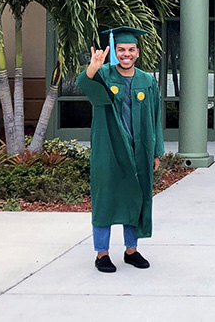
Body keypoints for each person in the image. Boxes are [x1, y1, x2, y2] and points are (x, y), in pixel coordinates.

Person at [76, 26, 164, 273]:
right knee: (105, 199)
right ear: (115, 51)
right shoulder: (104, 74)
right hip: (109, 150)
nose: (127, 54)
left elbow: (156, 117)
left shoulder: (147, 81)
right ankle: (101, 254)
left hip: (140, 149)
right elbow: (83, 82)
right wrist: (94, 65)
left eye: (131, 49)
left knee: (135, 197)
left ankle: (131, 251)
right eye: (121, 49)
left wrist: (156, 150)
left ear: (138, 52)